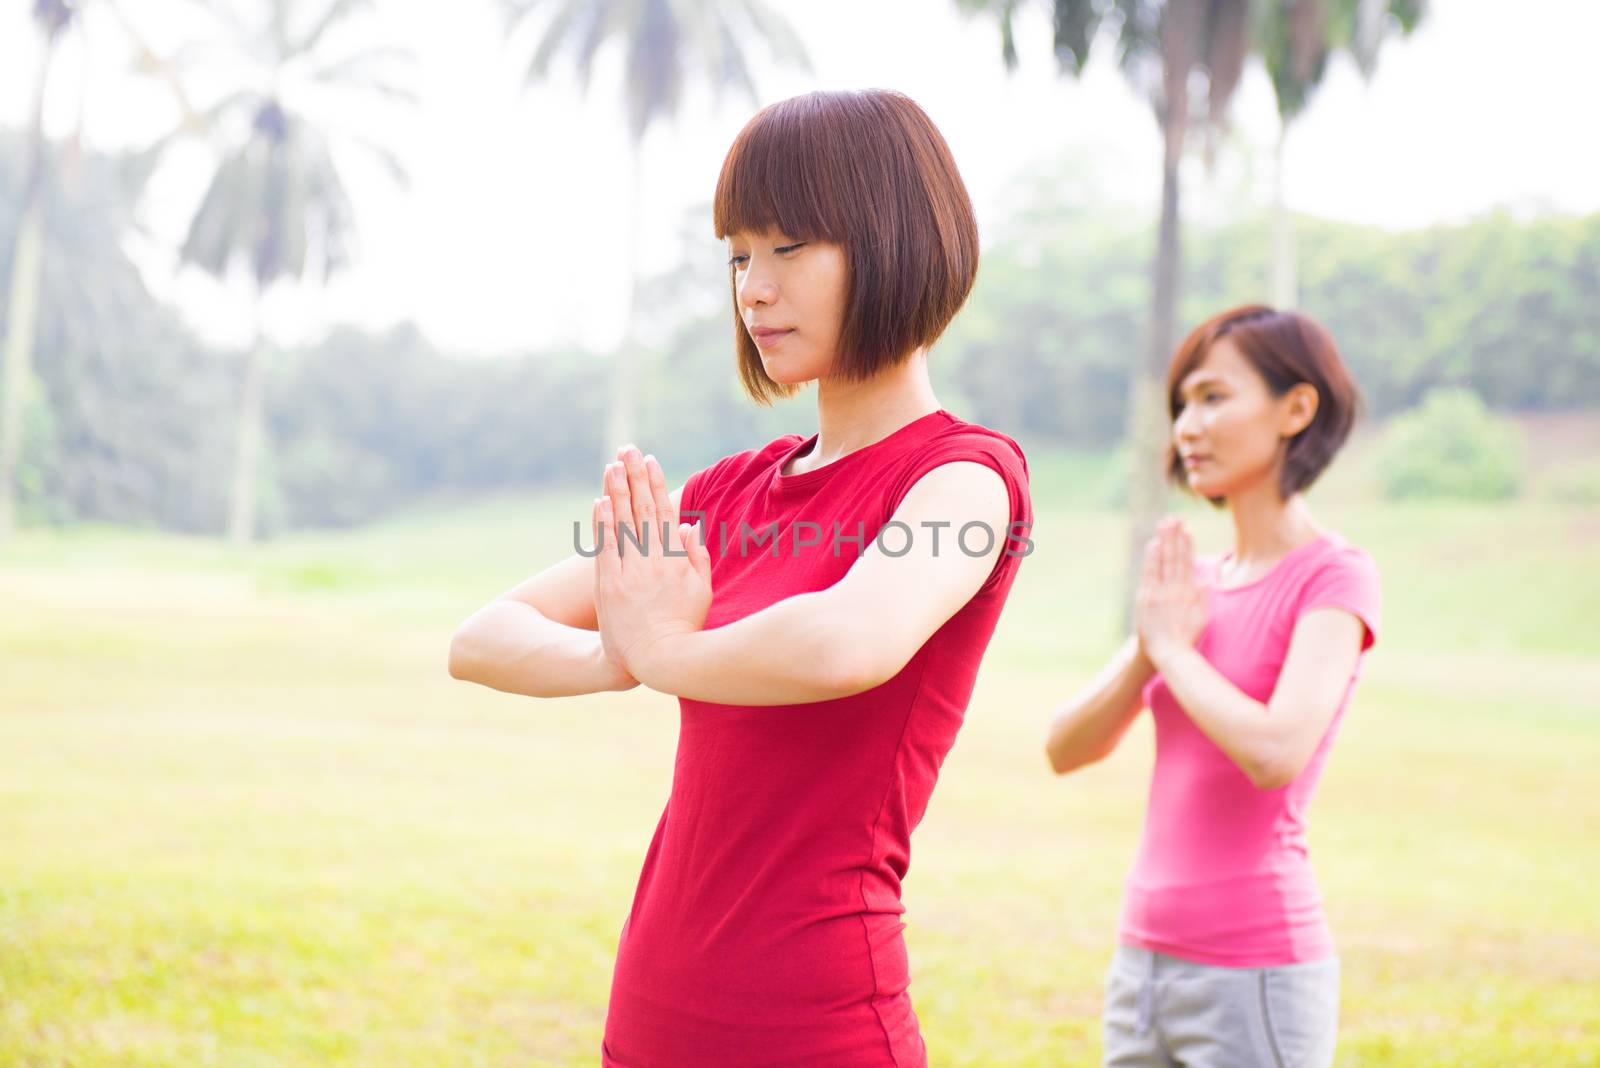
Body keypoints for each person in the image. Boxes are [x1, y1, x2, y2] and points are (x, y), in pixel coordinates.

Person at [449, 89, 1033, 1067]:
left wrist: (667, 647)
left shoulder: (964, 479)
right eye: (738, 255)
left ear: (898, 240)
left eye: (790, 246)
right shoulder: (730, 495)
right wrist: (619, 655)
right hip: (650, 1017)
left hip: (817, 1027)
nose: (753, 288)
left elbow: (847, 642)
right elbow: (482, 636)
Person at [1044, 306, 1382, 1068]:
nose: (1188, 426)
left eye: (1212, 397)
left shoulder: (1336, 575)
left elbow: (1276, 750)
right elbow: (1064, 747)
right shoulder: (1191, 588)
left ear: (1296, 408)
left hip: (1256, 970)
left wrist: (1170, 648)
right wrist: (1147, 654)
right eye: (1182, 406)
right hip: (1141, 961)